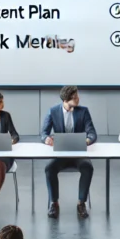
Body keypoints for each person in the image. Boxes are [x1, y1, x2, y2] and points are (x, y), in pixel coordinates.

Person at [41, 86, 97, 219]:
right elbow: (43, 133)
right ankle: (54, 203)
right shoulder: (53, 111)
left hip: (78, 153)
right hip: (60, 154)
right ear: (66, 100)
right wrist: (47, 139)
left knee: (87, 167)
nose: (78, 99)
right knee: (49, 168)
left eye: (77, 96)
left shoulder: (83, 111)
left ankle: (81, 203)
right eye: (75, 97)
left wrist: (87, 141)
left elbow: (92, 133)